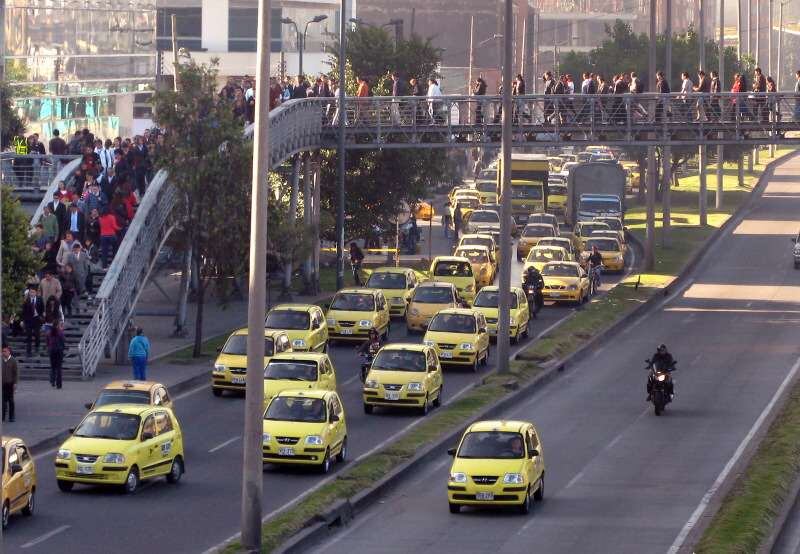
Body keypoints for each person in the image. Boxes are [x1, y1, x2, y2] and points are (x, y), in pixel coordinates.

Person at [2, 346, 19, 422]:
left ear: (9, 352)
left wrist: (15, 383)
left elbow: (16, 373)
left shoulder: (13, 361)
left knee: (11, 400)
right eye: (3, 351)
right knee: (2, 401)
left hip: (10, 383)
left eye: (5, 351)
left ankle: (11, 416)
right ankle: (2, 416)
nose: (3, 353)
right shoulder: (1, 360)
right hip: (2, 384)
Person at [47, 321, 66, 388]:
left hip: (52, 351)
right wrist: (63, 348)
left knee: (52, 367)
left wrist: (49, 348)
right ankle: (59, 384)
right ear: (57, 325)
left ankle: (52, 381)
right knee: (59, 368)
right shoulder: (60, 333)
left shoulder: (49, 333)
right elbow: (63, 341)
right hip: (59, 351)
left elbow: (47, 342)